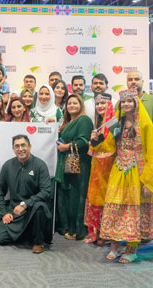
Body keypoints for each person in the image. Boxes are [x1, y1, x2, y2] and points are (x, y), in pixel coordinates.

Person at [91, 89, 153, 263]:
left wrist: (148, 180)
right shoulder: (115, 122)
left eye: (129, 101)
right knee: (114, 207)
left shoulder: (145, 125)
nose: (126, 104)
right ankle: (114, 247)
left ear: (135, 103)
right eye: (123, 101)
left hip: (137, 172)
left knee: (134, 211)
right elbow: (108, 146)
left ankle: (131, 250)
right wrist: (96, 140)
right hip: (118, 170)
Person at [0, 134, 53, 253]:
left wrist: (25, 204)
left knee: (40, 207)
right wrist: (4, 213)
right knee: (0, 238)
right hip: (15, 211)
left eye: (23, 145)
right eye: (17, 146)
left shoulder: (40, 165)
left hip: (32, 210)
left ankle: (38, 242)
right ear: (13, 149)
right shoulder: (7, 165)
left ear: (30, 146)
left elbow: (46, 191)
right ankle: (28, 233)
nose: (20, 149)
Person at [55, 94, 94, 240]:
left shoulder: (84, 120)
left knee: (76, 197)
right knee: (68, 196)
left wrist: (66, 146)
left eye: (75, 103)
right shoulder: (68, 122)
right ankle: (69, 228)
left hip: (79, 165)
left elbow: (84, 141)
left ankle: (78, 230)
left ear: (81, 105)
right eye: (69, 103)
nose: (71, 105)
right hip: (66, 164)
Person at [83, 93, 115, 245]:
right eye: (97, 104)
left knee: (107, 197)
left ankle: (106, 233)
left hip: (110, 167)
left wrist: (98, 142)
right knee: (95, 196)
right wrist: (93, 142)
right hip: (97, 167)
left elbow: (114, 147)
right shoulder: (98, 123)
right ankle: (96, 231)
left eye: (103, 103)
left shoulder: (114, 122)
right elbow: (92, 150)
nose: (100, 106)